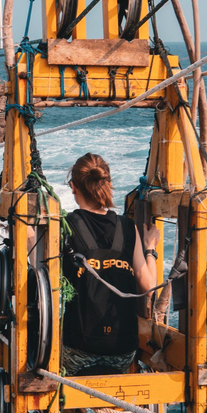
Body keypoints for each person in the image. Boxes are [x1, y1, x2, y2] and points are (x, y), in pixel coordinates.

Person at [62, 152, 158, 376]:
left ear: (73, 186)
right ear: (107, 184)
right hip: (122, 352)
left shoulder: (65, 226)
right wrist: (149, 248)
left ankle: (73, 412)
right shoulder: (127, 227)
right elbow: (149, 287)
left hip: (77, 350)